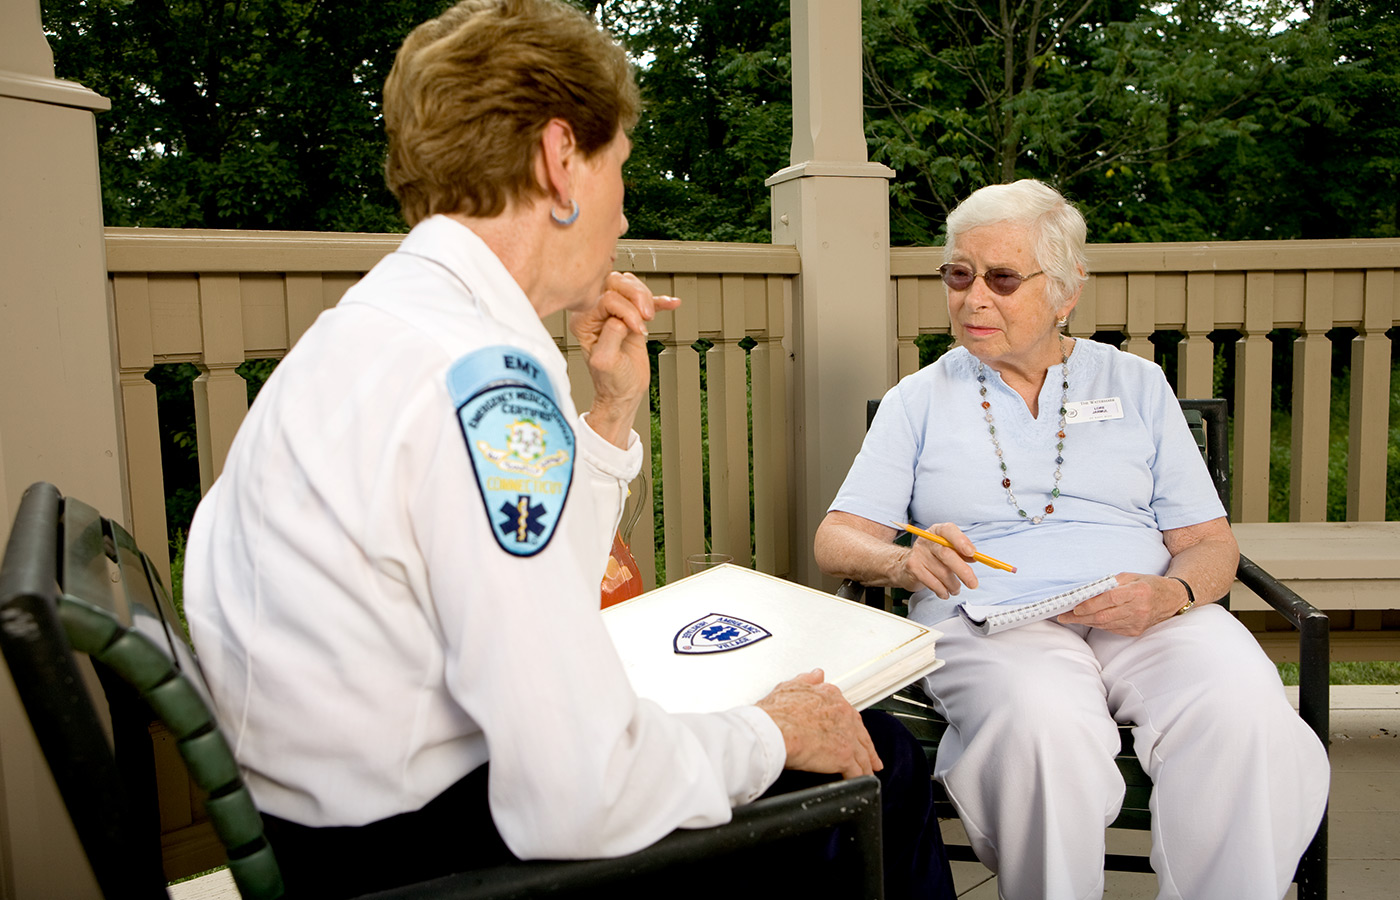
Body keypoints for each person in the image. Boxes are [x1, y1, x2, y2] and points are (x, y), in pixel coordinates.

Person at [182, 1, 952, 897]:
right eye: (619, 166)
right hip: (432, 864)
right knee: (876, 757)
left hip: (329, 830)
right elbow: (580, 789)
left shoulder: (373, 332)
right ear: (560, 162)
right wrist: (771, 733)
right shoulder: (486, 380)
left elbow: (525, 576)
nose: (623, 214)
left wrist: (612, 414)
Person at [815, 179, 1330, 900]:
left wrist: (1172, 592)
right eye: (958, 275)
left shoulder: (1138, 385)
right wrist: (905, 559)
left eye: (1000, 278)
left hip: (1144, 611)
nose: (972, 298)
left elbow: (1212, 543)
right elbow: (837, 539)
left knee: (1245, 715)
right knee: (1043, 730)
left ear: (1065, 291)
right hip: (989, 619)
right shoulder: (918, 400)